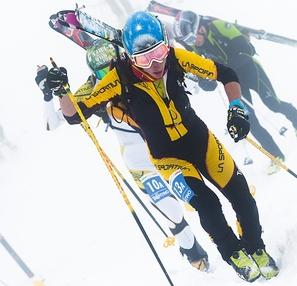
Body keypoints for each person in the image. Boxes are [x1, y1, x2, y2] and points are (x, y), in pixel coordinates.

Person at [45, 11, 279, 283]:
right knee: (207, 204)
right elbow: (75, 115)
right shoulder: (119, 77)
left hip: (201, 141)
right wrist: (62, 92)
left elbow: (225, 73)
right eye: (145, 58)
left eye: (159, 52)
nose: (156, 63)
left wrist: (236, 107)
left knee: (242, 196)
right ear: (131, 58)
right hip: (169, 159)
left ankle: (256, 248)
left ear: (166, 43)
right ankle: (233, 253)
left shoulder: (176, 58)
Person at [35, 39, 209, 272]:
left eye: (112, 66)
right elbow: (52, 124)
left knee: (196, 198)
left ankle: (225, 236)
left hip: (167, 149)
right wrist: (50, 93)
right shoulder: (92, 89)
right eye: (102, 71)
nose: (109, 74)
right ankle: (194, 254)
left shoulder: (136, 71)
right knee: (172, 210)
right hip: (139, 162)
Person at [173, 10, 297, 174]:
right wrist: (206, 81)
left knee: (273, 104)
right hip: (235, 82)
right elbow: (209, 82)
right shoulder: (196, 48)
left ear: (199, 28)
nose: (194, 43)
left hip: (251, 71)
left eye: (193, 37)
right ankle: (275, 155)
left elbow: (247, 50)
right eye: (188, 41)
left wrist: (221, 70)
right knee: (250, 121)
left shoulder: (220, 27)